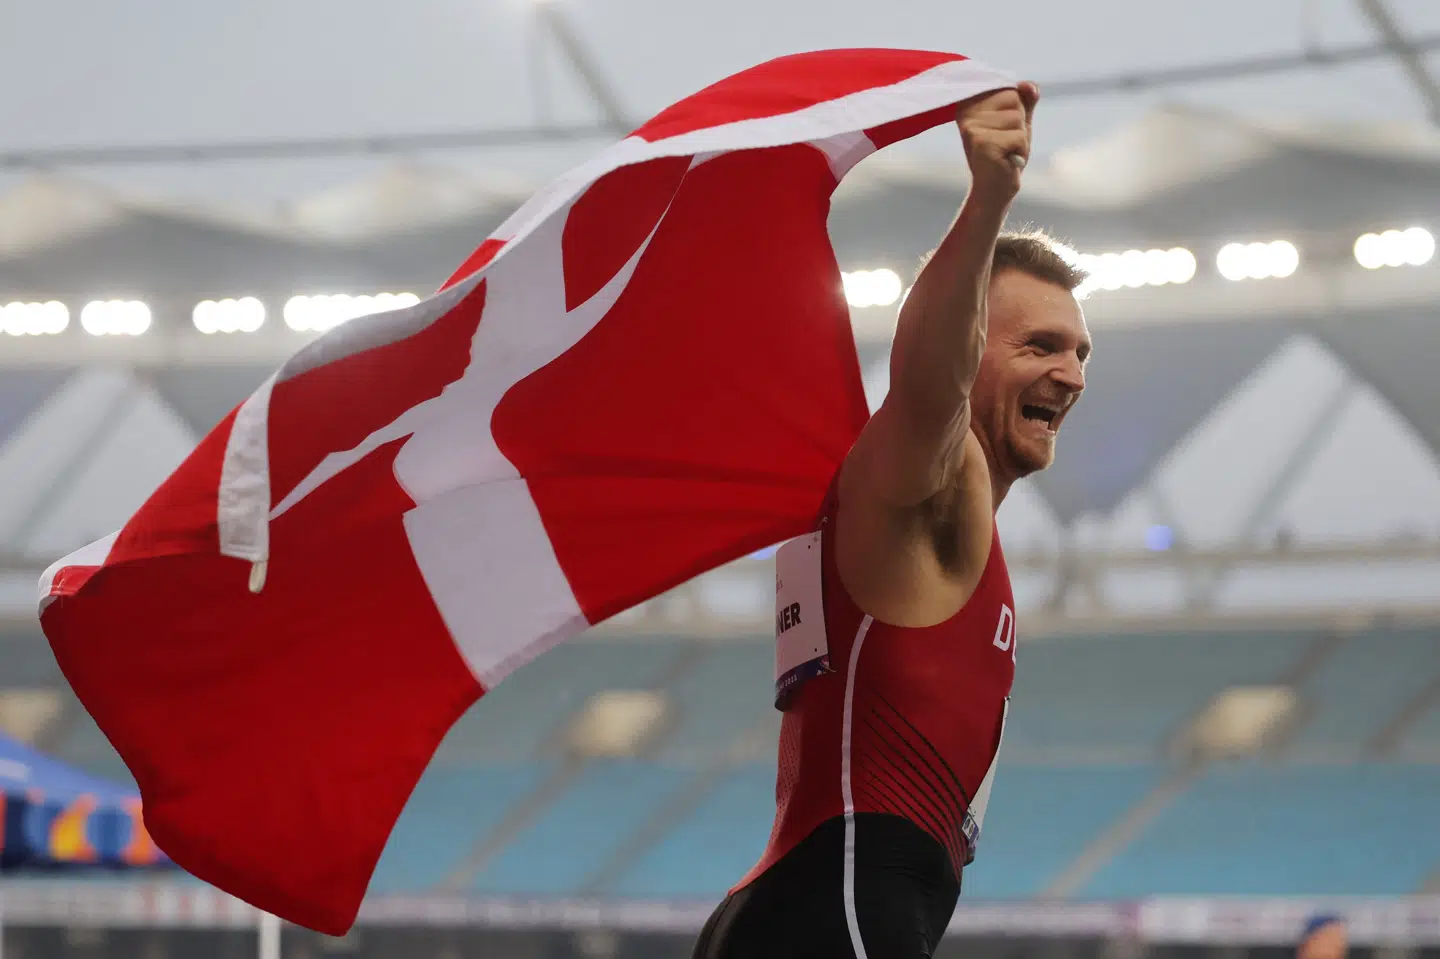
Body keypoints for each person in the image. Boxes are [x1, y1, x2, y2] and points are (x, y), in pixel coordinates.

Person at [693, 80, 1092, 959]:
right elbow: (927, 380)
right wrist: (988, 201)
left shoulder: (950, 527)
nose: (1071, 373)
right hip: (840, 912)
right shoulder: (928, 476)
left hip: (816, 907)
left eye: (1078, 350)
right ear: (969, 347)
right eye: (1039, 345)